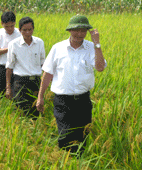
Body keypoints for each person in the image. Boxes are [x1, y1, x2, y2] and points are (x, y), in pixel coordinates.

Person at [36, 15, 106, 157]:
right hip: (63, 101)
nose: (79, 34)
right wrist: (40, 97)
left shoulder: (91, 47)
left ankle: (78, 165)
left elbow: (100, 67)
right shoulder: (58, 48)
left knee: (82, 134)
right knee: (65, 135)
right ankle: (66, 165)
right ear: (69, 30)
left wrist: (97, 43)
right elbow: (47, 74)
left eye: (83, 31)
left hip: (83, 100)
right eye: (76, 30)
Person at [6, 16, 46, 117]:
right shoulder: (13, 44)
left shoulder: (39, 43)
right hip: (20, 82)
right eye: (24, 30)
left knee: (36, 110)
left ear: (33, 29)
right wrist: (8, 88)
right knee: (22, 110)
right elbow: (9, 67)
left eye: (30, 29)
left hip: (36, 81)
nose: (27, 32)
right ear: (19, 30)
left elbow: (43, 64)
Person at [0, 11, 21, 95]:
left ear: (15, 23)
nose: (10, 28)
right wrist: (9, 49)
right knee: (1, 93)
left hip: (16, 69)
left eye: (12, 26)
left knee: (16, 93)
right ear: (2, 23)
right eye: (6, 26)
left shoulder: (20, 33)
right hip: (2, 68)